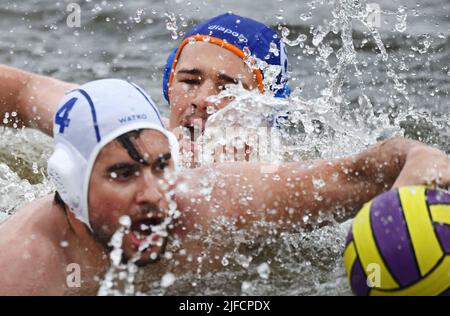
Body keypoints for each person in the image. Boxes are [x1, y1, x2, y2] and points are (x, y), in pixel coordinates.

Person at [0, 79, 448, 295]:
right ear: (71, 188)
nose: (155, 194)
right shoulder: (23, 270)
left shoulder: (213, 202)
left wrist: (420, 169)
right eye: (123, 174)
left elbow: (367, 172)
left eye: (163, 166)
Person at [0, 13, 289, 138]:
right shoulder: (127, 132)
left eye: (230, 88)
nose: (203, 100)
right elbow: (25, 92)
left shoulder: (289, 182)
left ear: (268, 107)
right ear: (169, 85)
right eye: (190, 81)